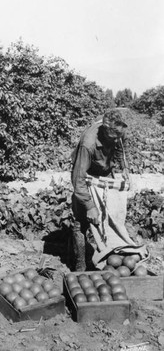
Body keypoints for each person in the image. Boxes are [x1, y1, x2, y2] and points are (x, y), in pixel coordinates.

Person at [70, 109, 130, 271]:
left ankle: (109, 255)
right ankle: (80, 263)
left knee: (109, 216)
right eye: (114, 137)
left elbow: (119, 148)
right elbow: (78, 180)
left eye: (120, 136)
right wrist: (90, 206)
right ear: (104, 130)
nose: (117, 140)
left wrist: (122, 168)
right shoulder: (88, 144)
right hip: (87, 173)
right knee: (81, 220)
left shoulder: (118, 132)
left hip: (105, 171)